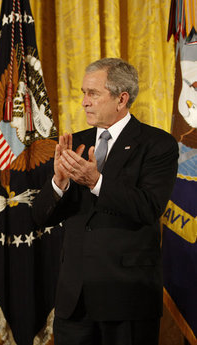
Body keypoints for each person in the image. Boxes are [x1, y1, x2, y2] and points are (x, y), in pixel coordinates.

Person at [32, 58, 179, 345]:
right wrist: (59, 182)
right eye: (83, 93)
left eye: (93, 94)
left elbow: (148, 207)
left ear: (121, 98)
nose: (84, 102)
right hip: (74, 300)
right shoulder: (75, 142)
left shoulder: (157, 144)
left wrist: (96, 182)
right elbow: (40, 217)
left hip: (126, 299)